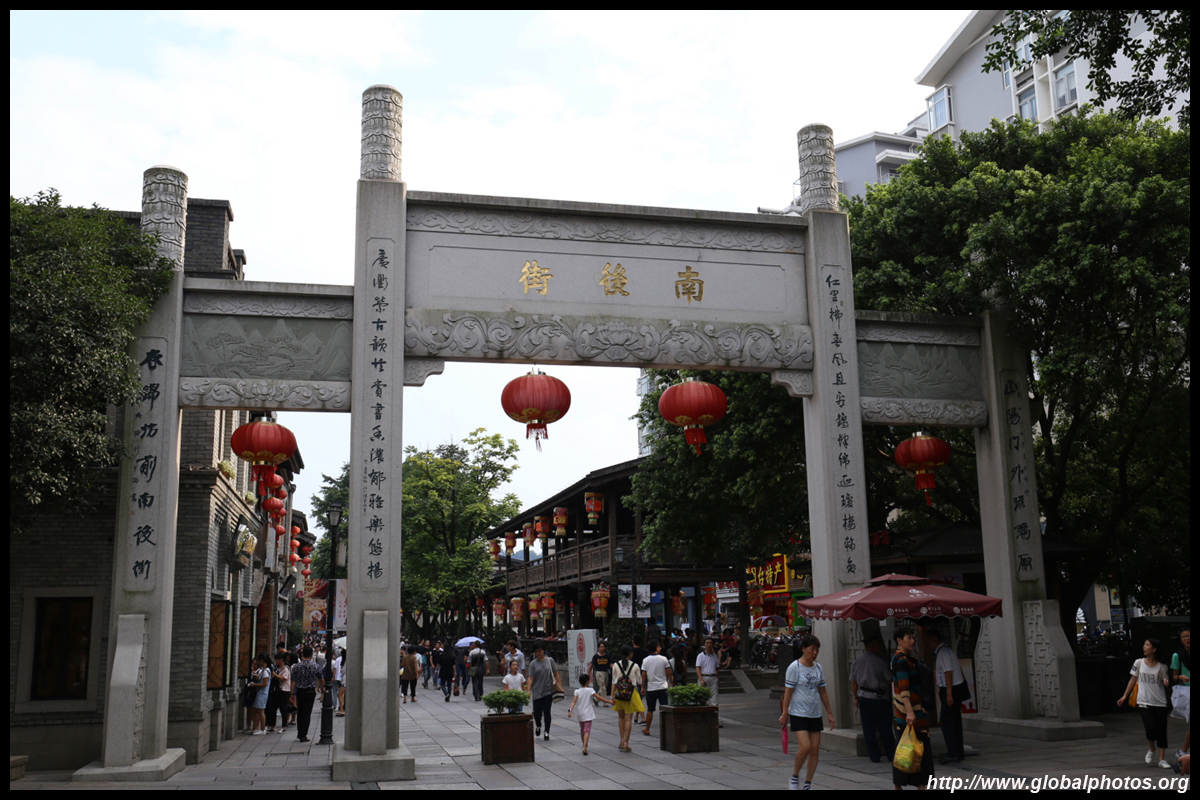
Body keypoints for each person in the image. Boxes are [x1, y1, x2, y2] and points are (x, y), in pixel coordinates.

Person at [779, 634, 835, 790]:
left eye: (817, 650)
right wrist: (785, 713)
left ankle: (808, 783)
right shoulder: (794, 667)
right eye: (812, 649)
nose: (815, 653)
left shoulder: (818, 668)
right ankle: (795, 776)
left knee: (815, 749)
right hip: (798, 713)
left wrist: (830, 713)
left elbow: (823, 691)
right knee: (805, 747)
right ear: (803, 649)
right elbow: (788, 692)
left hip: (815, 713)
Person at [1118, 638, 1173, 768]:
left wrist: (1166, 682)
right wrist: (1125, 695)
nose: (1144, 647)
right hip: (1143, 701)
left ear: (1154, 649)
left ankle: (1161, 759)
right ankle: (1152, 748)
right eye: (1144, 644)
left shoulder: (1162, 667)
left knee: (1161, 730)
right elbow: (1133, 679)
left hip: (1159, 702)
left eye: (1147, 645)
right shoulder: (1139, 663)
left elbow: (1165, 680)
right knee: (1150, 727)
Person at [891, 625, 934, 789]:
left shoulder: (899, 659)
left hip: (903, 714)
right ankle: (919, 785)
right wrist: (910, 711)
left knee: (904, 748)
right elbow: (904, 688)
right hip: (913, 714)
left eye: (913, 638)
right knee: (919, 751)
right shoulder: (902, 661)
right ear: (899, 641)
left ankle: (899, 786)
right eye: (908, 638)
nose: (912, 641)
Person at [850, 634, 895, 763]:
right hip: (878, 697)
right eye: (878, 646)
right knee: (885, 727)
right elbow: (889, 679)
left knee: (868, 728)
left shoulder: (857, 662)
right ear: (873, 647)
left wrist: (856, 697)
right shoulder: (880, 662)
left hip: (863, 697)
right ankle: (891, 753)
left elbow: (853, 682)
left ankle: (874, 755)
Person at [928, 628, 967, 764]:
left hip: (950, 690)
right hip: (953, 689)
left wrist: (949, 694)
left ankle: (953, 752)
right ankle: (957, 752)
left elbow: (948, 673)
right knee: (954, 721)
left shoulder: (943, 653)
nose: (928, 644)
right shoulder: (946, 651)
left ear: (935, 639)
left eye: (929, 640)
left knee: (947, 722)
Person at [524, 640, 563, 741]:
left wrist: (560, 686)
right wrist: (528, 689)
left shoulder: (550, 661)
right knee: (537, 712)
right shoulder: (533, 664)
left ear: (544, 650)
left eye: (540, 650)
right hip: (537, 691)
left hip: (548, 690)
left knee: (547, 711)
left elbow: (556, 673)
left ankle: (546, 731)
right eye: (536, 651)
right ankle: (538, 725)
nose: (538, 653)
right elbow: (530, 677)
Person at [610, 645, 644, 753]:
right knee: (628, 719)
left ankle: (621, 740)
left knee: (621, 718)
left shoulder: (616, 665)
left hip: (619, 693)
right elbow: (639, 681)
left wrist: (612, 696)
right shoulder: (635, 665)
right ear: (630, 654)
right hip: (631, 694)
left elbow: (614, 681)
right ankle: (626, 743)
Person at [568, 672, 612, 755]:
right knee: (587, 730)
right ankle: (585, 746)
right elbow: (599, 697)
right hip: (588, 713)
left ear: (580, 682)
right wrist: (609, 701)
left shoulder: (577, 691)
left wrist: (570, 710)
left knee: (582, 730)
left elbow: (574, 701)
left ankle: (583, 744)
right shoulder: (590, 690)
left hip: (580, 713)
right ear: (588, 682)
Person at [290, 645, 324, 743]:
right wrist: (323, 688)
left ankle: (300, 733)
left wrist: (292, 692)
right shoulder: (315, 666)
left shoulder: (297, 666)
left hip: (300, 691)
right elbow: (321, 679)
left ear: (302, 654)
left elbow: (293, 680)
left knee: (300, 712)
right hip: (310, 692)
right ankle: (303, 734)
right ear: (311, 655)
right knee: (307, 713)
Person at [640, 639, 674, 736]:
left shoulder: (645, 660)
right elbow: (669, 673)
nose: (660, 648)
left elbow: (643, 675)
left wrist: (642, 687)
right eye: (659, 646)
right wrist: (671, 683)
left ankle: (647, 728)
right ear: (656, 648)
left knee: (650, 709)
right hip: (663, 687)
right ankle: (666, 728)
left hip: (651, 687)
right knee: (664, 708)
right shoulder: (664, 659)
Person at [1171, 627, 1190, 758]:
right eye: (1184, 637)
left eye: (1189, 636)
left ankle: (1183, 750)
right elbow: (1174, 677)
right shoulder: (1177, 656)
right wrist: (1180, 677)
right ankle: (1183, 750)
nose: (1188, 639)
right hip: (1187, 691)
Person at [267, 653, 292, 733]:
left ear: (281, 660)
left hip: (284, 691)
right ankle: (272, 726)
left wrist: (275, 675)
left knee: (283, 709)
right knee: (273, 708)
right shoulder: (278, 668)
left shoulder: (285, 669)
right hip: (278, 691)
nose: (276, 661)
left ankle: (284, 726)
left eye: (277, 660)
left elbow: (284, 679)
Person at [696, 637, 722, 710]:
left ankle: (714, 712)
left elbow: (717, 668)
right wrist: (701, 679)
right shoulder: (700, 656)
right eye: (707, 643)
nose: (709, 645)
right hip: (704, 677)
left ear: (713, 645)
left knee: (714, 697)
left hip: (713, 677)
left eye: (710, 643)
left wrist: (718, 680)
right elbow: (698, 668)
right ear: (705, 644)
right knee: (703, 698)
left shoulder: (715, 656)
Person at [247, 655, 271, 734]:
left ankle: (263, 729)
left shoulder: (266, 672)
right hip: (261, 693)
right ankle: (257, 727)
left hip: (262, 694)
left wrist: (255, 685)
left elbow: (265, 684)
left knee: (260, 711)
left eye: (259, 661)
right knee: (256, 711)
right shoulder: (265, 670)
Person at [333, 648, 346, 716]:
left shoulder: (344, 661)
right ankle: (342, 709)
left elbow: (343, 670)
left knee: (340, 694)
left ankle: (341, 710)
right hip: (344, 679)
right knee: (342, 694)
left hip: (344, 680)